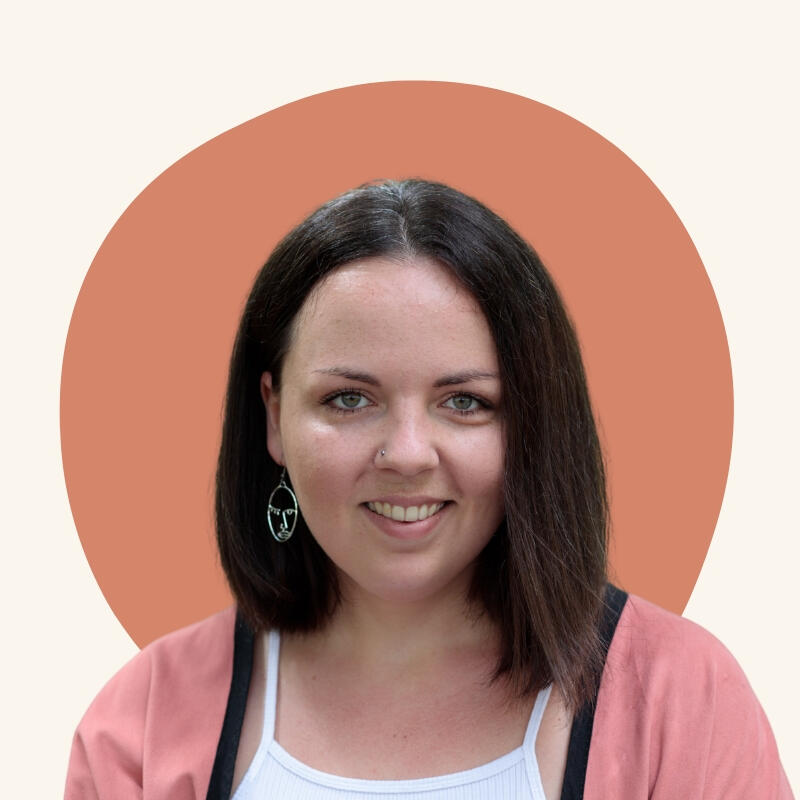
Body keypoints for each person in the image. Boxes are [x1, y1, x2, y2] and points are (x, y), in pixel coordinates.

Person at [64, 179, 793, 799]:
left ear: (533, 423)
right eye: (349, 399)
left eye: (465, 402)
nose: (408, 455)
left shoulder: (684, 700)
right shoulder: (142, 721)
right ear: (273, 416)